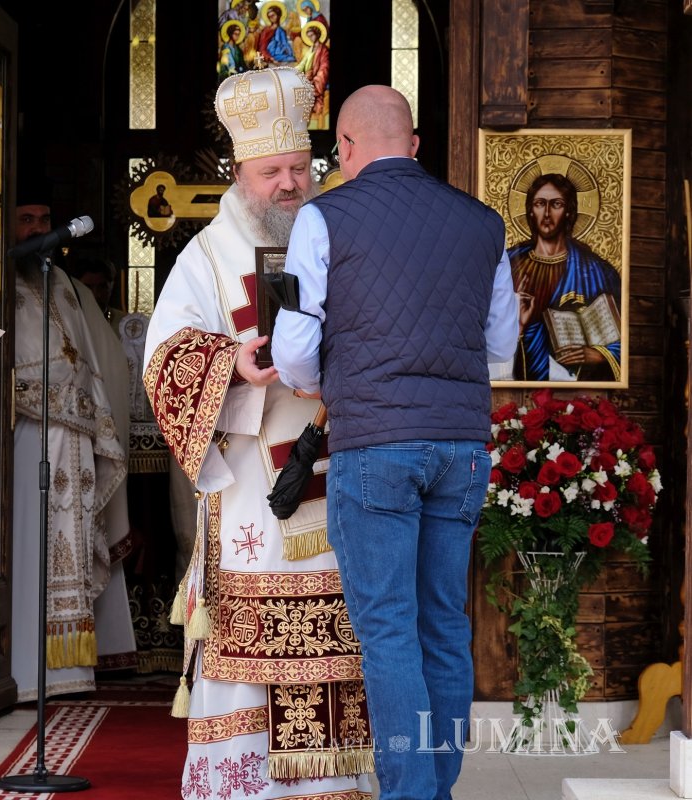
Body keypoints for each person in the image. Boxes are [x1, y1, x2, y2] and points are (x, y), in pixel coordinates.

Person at [271, 85, 519, 800]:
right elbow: (499, 349)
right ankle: (435, 786)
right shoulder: (481, 222)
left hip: (374, 442)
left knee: (386, 630)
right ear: (414, 145)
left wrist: (330, 381)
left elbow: (293, 350)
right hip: (461, 445)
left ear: (343, 149)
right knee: (442, 620)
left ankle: (412, 794)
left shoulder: (324, 217)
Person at [142, 67, 372, 798]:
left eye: (299, 168)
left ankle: (332, 786)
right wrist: (234, 364)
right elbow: (161, 364)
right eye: (272, 171)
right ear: (238, 173)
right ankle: (245, 788)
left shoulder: (341, 240)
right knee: (249, 644)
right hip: (253, 489)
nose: (289, 184)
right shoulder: (203, 258)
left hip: (338, 473)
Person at [9, 176, 136, 701]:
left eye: (45, 221)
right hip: (18, 443)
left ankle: (66, 669)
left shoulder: (62, 284)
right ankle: (18, 666)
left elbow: (90, 365)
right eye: (28, 221)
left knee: (69, 549)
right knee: (26, 550)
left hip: (74, 443)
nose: (40, 230)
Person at [508, 172, 622, 381]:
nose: (547, 213)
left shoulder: (596, 270)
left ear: (569, 211)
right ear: (530, 210)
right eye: (540, 204)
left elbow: (621, 337)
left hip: (574, 383)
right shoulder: (509, 264)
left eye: (556, 204)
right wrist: (519, 328)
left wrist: (600, 354)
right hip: (516, 377)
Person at [69, 254, 125, 335]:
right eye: (87, 288)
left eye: (102, 287)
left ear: (111, 287)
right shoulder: (67, 323)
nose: (96, 294)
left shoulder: (124, 324)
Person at [296, 20, 330, 126]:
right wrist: (291, 72)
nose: (311, 38)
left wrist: (315, 82)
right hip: (307, 78)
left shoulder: (324, 50)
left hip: (316, 82)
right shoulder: (310, 49)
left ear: (317, 34)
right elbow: (302, 64)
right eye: (309, 36)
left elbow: (324, 68)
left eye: (312, 35)